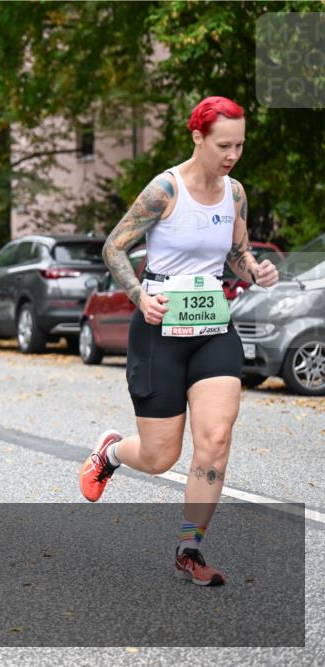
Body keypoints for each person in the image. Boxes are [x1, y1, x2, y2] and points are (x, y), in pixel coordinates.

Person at [79, 96, 279, 586]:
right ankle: (110, 452)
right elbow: (115, 246)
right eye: (223, 145)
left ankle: (191, 548)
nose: (232, 155)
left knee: (214, 440)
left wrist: (254, 269)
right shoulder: (165, 189)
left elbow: (236, 252)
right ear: (198, 137)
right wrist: (137, 294)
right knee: (160, 456)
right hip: (160, 326)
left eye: (239, 145)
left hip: (212, 327)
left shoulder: (234, 194)